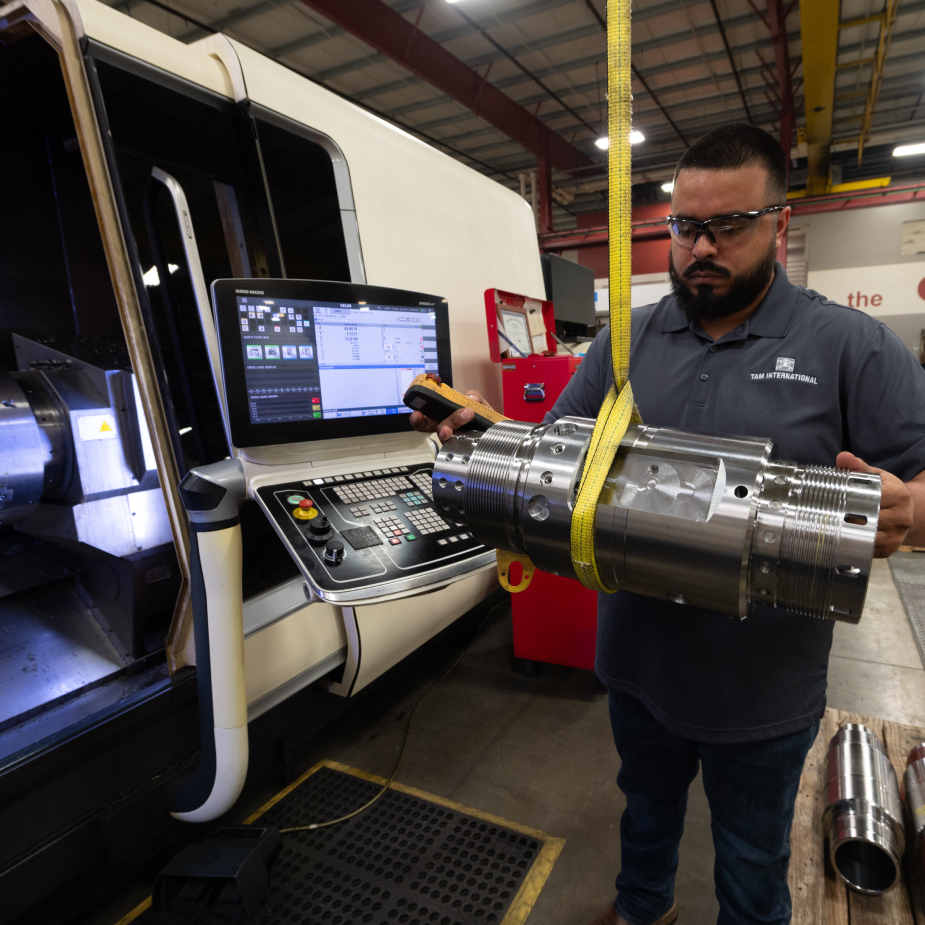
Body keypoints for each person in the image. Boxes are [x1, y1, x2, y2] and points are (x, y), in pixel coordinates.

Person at [410, 123, 925, 925]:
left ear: (778, 223)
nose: (699, 249)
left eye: (727, 227)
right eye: (684, 227)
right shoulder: (630, 338)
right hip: (638, 663)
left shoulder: (848, 345)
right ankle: (642, 910)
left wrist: (911, 507)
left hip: (759, 687)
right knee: (642, 815)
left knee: (751, 860)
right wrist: (482, 438)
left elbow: (920, 485)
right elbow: (561, 448)